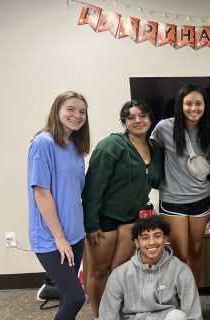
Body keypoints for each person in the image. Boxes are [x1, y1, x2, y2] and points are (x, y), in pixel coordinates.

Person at [82, 101, 164, 318]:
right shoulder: (111, 145)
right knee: (99, 271)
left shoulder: (155, 148)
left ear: (150, 119)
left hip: (131, 218)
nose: (137, 120)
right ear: (124, 122)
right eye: (131, 117)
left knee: (118, 272)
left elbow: (155, 179)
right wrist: (91, 224)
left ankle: (115, 312)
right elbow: (92, 188)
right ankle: (100, 315)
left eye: (142, 115)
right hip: (103, 218)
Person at [27, 91, 90, 319]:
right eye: (70, 109)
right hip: (52, 238)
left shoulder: (75, 145)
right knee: (76, 297)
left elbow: (75, 192)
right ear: (57, 110)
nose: (77, 115)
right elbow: (42, 194)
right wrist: (59, 238)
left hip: (75, 234)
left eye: (82, 111)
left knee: (67, 297)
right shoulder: (43, 143)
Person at [151, 84, 210, 286]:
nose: (193, 108)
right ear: (180, 104)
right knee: (180, 255)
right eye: (188, 103)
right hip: (173, 200)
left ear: (205, 106)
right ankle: (180, 299)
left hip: (200, 199)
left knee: (197, 251)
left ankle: (193, 297)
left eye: (198, 103)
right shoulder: (164, 127)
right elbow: (149, 152)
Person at [99, 215, 202, 320]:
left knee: (177, 316)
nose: (152, 242)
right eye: (145, 238)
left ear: (165, 238)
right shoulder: (119, 275)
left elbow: (193, 315)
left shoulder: (181, 271)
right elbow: (106, 317)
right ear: (137, 242)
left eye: (157, 236)